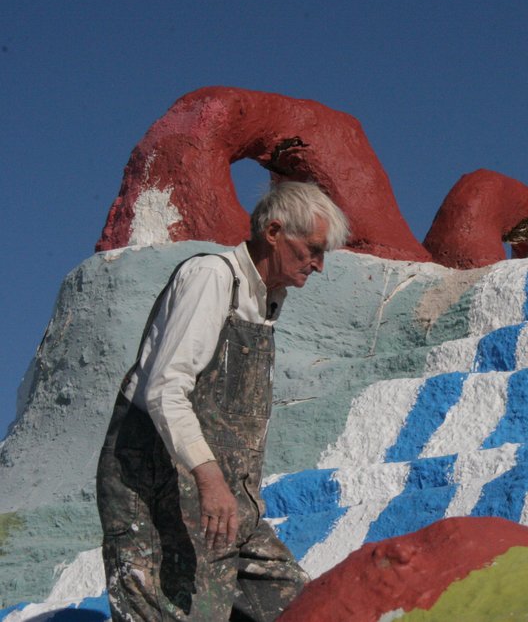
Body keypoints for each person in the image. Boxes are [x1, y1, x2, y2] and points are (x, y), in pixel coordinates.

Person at [96, 181, 349, 621]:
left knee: (302, 605)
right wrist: (211, 480)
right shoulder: (213, 277)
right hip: (160, 492)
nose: (319, 265)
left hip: (228, 504)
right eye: (312, 249)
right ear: (273, 232)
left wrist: (233, 493)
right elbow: (165, 388)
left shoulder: (265, 303)